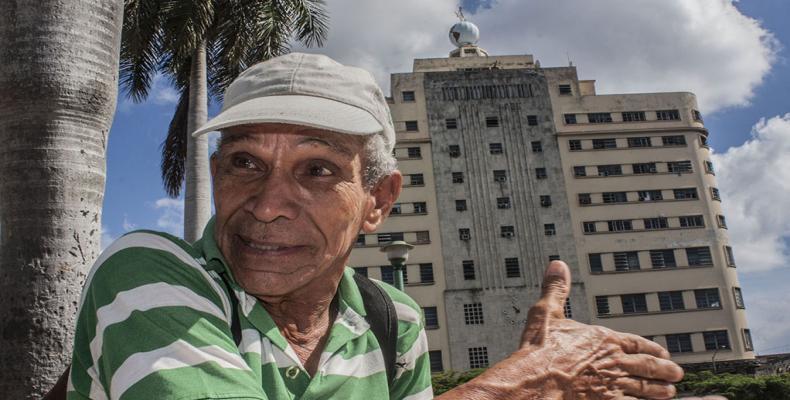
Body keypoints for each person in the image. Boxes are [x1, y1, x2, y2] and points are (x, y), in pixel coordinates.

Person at [67, 52, 687, 399]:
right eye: (245, 163)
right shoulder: (149, 275)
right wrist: (523, 382)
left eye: (317, 169)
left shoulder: (393, 321)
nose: (266, 203)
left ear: (378, 200)